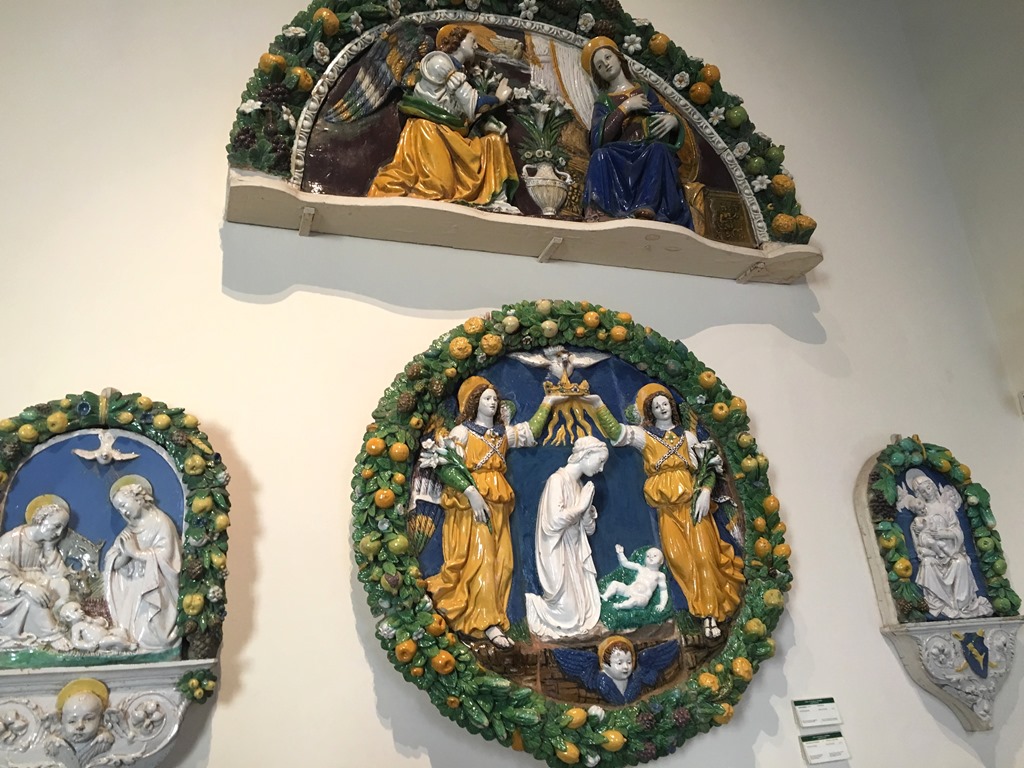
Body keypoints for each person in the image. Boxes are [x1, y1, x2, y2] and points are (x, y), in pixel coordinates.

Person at [590, 385, 744, 638]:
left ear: (671, 406)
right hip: (667, 511)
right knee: (679, 560)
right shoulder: (646, 437)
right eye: (655, 406)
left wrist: (705, 492)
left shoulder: (688, 437)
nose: (661, 408)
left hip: (693, 507)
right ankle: (699, 608)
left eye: (664, 403)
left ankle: (710, 616)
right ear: (649, 411)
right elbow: (617, 433)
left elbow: (706, 468)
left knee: (704, 557)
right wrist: (598, 404)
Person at [426, 376, 560, 648]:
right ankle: (487, 623)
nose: (492, 403)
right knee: (482, 559)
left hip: (498, 503)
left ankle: (492, 615)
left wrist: (549, 401)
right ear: (473, 402)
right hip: (471, 506)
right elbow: (446, 466)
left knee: (504, 562)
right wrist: (471, 493)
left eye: (495, 399)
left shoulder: (501, 434)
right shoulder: (462, 433)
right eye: (486, 398)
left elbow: (531, 431)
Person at [368, 24, 520, 213]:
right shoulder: (439, 62)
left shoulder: (459, 73)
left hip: (450, 134)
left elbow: (466, 114)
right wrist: (499, 98)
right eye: (472, 40)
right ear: (456, 40)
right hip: (429, 131)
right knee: (440, 187)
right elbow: (473, 103)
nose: (476, 46)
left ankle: (496, 200)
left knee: (494, 142)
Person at [580, 37, 693, 228]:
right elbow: (598, 138)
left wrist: (674, 121)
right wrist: (625, 107)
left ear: (618, 58)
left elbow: (659, 114)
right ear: (598, 74)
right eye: (599, 65)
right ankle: (599, 210)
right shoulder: (604, 101)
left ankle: (646, 206)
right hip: (619, 152)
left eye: (608, 57)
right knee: (600, 155)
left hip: (646, 147)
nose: (605, 64)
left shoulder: (643, 90)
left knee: (658, 150)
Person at [525, 436, 608, 641]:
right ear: (586, 455)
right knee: (566, 611)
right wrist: (580, 507)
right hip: (558, 550)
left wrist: (587, 511)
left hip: (575, 551)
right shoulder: (557, 480)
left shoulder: (579, 485)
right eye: (600, 461)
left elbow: (588, 530)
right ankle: (532, 605)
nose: (601, 469)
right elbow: (554, 521)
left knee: (583, 608)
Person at [898, 469, 992, 619]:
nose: (927, 492)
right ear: (919, 494)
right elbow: (917, 535)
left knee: (960, 562)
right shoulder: (920, 511)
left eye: (928, 487)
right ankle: (939, 603)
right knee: (928, 564)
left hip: (951, 550)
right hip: (933, 554)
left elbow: (957, 531)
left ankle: (962, 605)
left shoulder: (946, 508)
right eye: (923, 491)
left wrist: (944, 534)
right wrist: (919, 533)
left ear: (934, 486)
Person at [103, 477, 182, 652]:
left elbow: (168, 557)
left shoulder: (161, 523)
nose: (123, 512)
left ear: (138, 499)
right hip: (134, 587)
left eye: (124, 505)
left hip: (156, 587)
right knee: (130, 630)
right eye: (119, 509)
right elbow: (113, 561)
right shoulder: (129, 530)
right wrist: (125, 555)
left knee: (154, 636)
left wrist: (136, 553)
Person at [0, 496, 72, 651]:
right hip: (12, 591)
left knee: (62, 585)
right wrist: (26, 587)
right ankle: (52, 635)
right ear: (41, 519)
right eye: (56, 526)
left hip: (38, 582)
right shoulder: (11, 541)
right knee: (32, 599)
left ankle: (59, 620)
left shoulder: (45, 543)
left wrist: (49, 548)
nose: (59, 533)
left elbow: (58, 574)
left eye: (62, 529)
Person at [47, 678, 114, 766]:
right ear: (61, 722)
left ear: (101, 719)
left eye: (88, 719)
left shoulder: (104, 741)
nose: (80, 726)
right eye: (72, 721)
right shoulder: (55, 743)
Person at [601, 545, 669, 611]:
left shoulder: (660, 575)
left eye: (655, 556)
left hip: (642, 597)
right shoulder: (640, 568)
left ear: (661, 561)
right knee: (615, 584)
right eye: (648, 556)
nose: (651, 557)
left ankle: (619, 606)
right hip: (630, 590)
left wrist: (662, 605)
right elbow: (625, 563)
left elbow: (663, 590)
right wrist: (620, 553)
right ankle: (605, 596)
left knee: (634, 600)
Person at [59, 601, 136, 653]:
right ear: (68, 618)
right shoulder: (76, 627)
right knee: (116, 640)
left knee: (122, 631)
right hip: (99, 641)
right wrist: (88, 646)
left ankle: (119, 648)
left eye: (80, 609)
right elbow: (76, 642)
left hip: (107, 633)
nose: (81, 611)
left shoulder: (87, 619)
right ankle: (129, 646)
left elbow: (102, 623)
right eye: (76, 610)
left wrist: (93, 620)